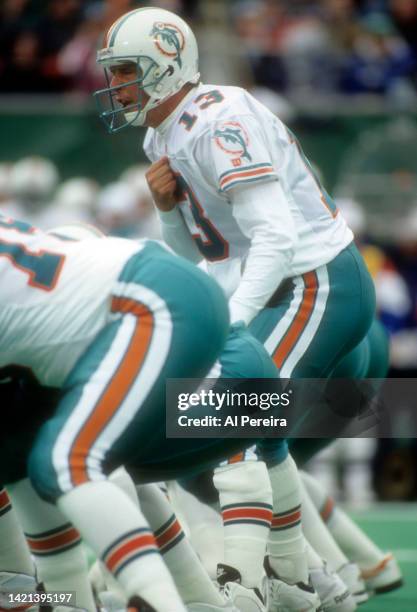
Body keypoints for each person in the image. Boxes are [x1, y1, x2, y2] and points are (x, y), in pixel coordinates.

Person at [94, 7, 376, 612]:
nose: (116, 86)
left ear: (167, 66)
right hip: (269, 285)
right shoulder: (160, 132)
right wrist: (168, 210)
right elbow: (199, 252)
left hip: (314, 283)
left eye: (126, 72)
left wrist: (235, 324)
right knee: (200, 435)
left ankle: (242, 583)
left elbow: (275, 237)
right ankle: (308, 578)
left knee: (233, 410)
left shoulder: (219, 120)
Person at [0, 214, 231, 611]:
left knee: (67, 462)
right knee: (50, 460)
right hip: (179, 320)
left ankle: (164, 598)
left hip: (203, 368)